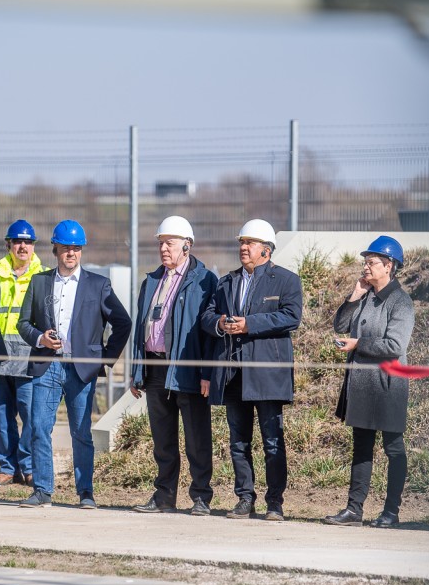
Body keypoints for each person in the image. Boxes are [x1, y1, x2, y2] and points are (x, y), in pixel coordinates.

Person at [17, 219, 132, 509]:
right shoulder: (39, 282)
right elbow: (23, 323)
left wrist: (104, 359)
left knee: (81, 432)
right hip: (47, 366)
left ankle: (85, 493)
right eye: (66, 247)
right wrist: (40, 338)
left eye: (77, 248)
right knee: (39, 427)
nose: (72, 253)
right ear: (55, 249)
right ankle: (42, 490)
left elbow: (123, 322)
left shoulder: (98, 285)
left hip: (81, 369)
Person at [202, 219, 302, 522]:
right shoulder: (226, 281)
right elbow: (207, 316)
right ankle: (245, 498)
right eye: (241, 242)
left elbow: (291, 317)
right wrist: (220, 323)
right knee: (238, 442)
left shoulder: (286, 280)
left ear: (266, 250)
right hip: (233, 373)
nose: (243, 248)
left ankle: (275, 503)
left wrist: (250, 324)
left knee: (272, 440)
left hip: (267, 373)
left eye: (250, 243)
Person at [323, 235, 415, 528]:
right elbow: (340, 325)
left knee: (393, 448)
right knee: (361, 447)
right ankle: (354, 510)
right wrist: (354, 294)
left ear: (389, 266)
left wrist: (358, 344)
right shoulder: (365, 296)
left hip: (388, 386)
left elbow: (395, 345)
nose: (365, 266)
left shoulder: (400, 302)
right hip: (362, 384)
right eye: (365, 261)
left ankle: (391, 511)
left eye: (372, 262)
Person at [130, 216, 217, 516]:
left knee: (196, 438)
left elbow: (209, 332)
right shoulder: (151, 281)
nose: (163, 248)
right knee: (163, 440)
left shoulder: (204, 281)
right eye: (160, 243)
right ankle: (164, 496)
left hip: (186, 368)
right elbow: (140, 328)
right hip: (154, 367)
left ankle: (201, 497)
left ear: (187, 245)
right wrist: (137, 371)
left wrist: (207, 373)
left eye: (170, 243)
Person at [0, 219, 43, 487]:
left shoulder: (43, 276)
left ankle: (29, 466)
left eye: (28, 242)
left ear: (33, 246)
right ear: (8, 244)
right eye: (18, 241)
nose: (23, 246)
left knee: (30, 414)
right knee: (3, 415)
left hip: (28, 356)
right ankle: (7, 468)